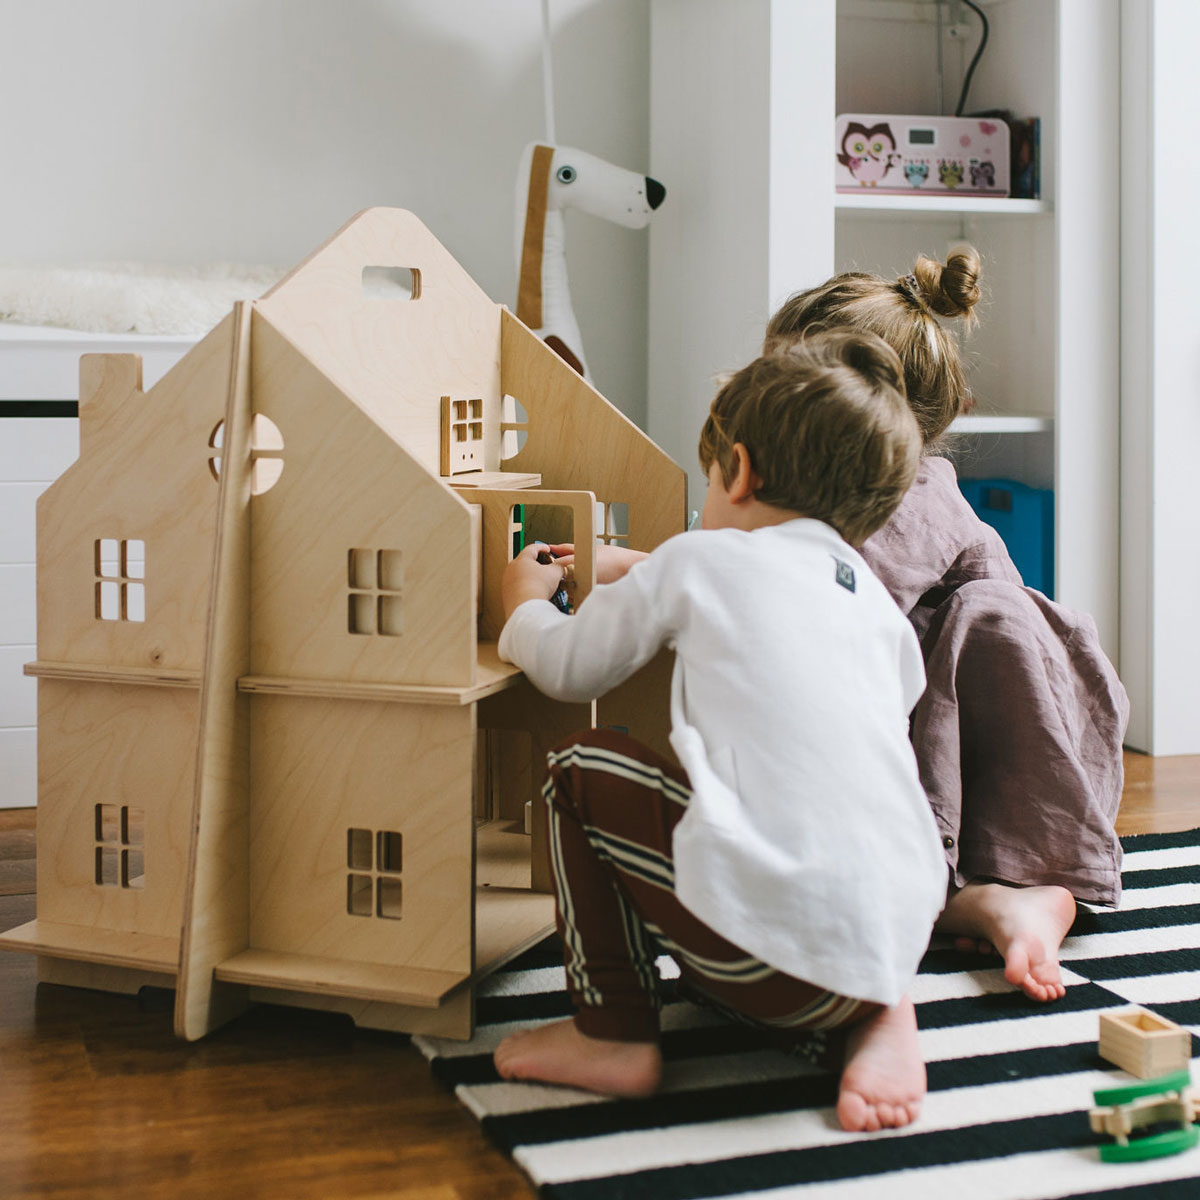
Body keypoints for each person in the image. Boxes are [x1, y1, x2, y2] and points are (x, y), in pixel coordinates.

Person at [493, 331, 946, 1133]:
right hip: (887, 945)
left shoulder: (697, 563)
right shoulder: (879, 613)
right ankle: (881, 1014)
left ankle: (612, 1030)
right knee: (848, 820)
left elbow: (568, 670)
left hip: (768, 968)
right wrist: (652, 571)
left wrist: (522, 606)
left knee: (580, 768)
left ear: (738, 470)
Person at [764, 249, 1129, 1004]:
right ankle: (1005, 902)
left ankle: (1004, 889)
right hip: (953, 716)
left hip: (997, 729)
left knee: (880, 873)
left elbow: (822, 601)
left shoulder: (906, 493)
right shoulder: (833, 491)